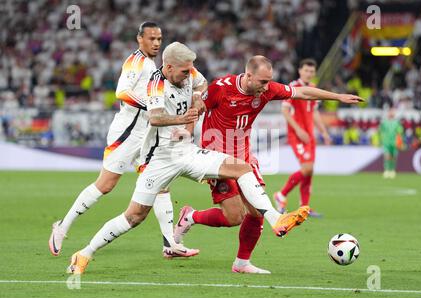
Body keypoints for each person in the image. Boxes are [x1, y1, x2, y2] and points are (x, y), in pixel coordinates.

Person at [66, 42, 308, 275]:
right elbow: (156, 118)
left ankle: (276, 218)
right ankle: (84, 253)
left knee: (242, 168)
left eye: (190, 69)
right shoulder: (155, 85)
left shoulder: (189, 72)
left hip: (188, 152)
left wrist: (197, 98)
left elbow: (203, 86)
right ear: (169, 67)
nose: (189, 74)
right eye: (184, 70)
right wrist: (185, 119)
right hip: (160, 159)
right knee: (134, 216)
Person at [174, 56, 364, 274]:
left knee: (255, 213)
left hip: (244, 156)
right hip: (217, 158)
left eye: (269, 82)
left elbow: (302, 93)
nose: (267, 88)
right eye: (263, 82)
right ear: (248, 76)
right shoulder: (221, 88)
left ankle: (242, 263)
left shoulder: (267, 89)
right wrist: (187, 134)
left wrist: (338, 96)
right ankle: (191, 216)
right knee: (233, 217)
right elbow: (196, 108)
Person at [49, 22, 194, 259]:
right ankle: (63, 225)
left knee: (159, 183)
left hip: (147, 133)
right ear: (140, 39)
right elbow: (122, 92)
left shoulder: (155, 64)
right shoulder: (135, 61)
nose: (156, 43)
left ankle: (170, 243)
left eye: (159, 39)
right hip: (127, 133)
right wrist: (152, 105)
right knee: (105, 185)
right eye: (151, 38)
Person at [273, 59, 331, 217]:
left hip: (309, 135)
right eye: (306, 70)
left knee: (309, 171)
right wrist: (298, 130)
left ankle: (305, 207)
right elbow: (285, 111)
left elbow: (315, 113)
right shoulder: (293, 87)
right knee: (307, 168)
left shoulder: (313, 89)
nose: (309, 74)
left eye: (312, 71)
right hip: (297, 135)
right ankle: (281, 195)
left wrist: (324, 132)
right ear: (300, 71)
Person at [379, 108, 403, 178]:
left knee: (393, 157)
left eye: (392, 112)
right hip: (386, 142)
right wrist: (381, 139)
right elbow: (380, 130)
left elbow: (400, 131)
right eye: (390, 112)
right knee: (387, 156)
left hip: (394, 142)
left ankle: (392, 170)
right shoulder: (384, 122)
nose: (391, 114)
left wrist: (400, 141)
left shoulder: (397, 122)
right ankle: (387, 170)